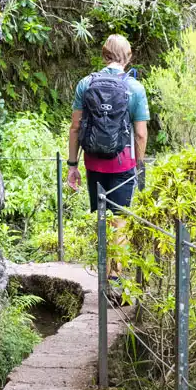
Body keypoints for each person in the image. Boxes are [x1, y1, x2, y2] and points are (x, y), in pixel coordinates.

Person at [66, 34, 150, 240]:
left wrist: (72, 165)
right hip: (123, 164)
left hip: (93, 162)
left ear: (104, 55)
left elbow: (75, 127)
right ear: (128, 57)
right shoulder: (135, 89)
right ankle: (114, 272)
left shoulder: (86, 84)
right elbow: (140, 134)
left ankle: (102, 265)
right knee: (121, 218)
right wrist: (139, 167)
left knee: (101, 216)